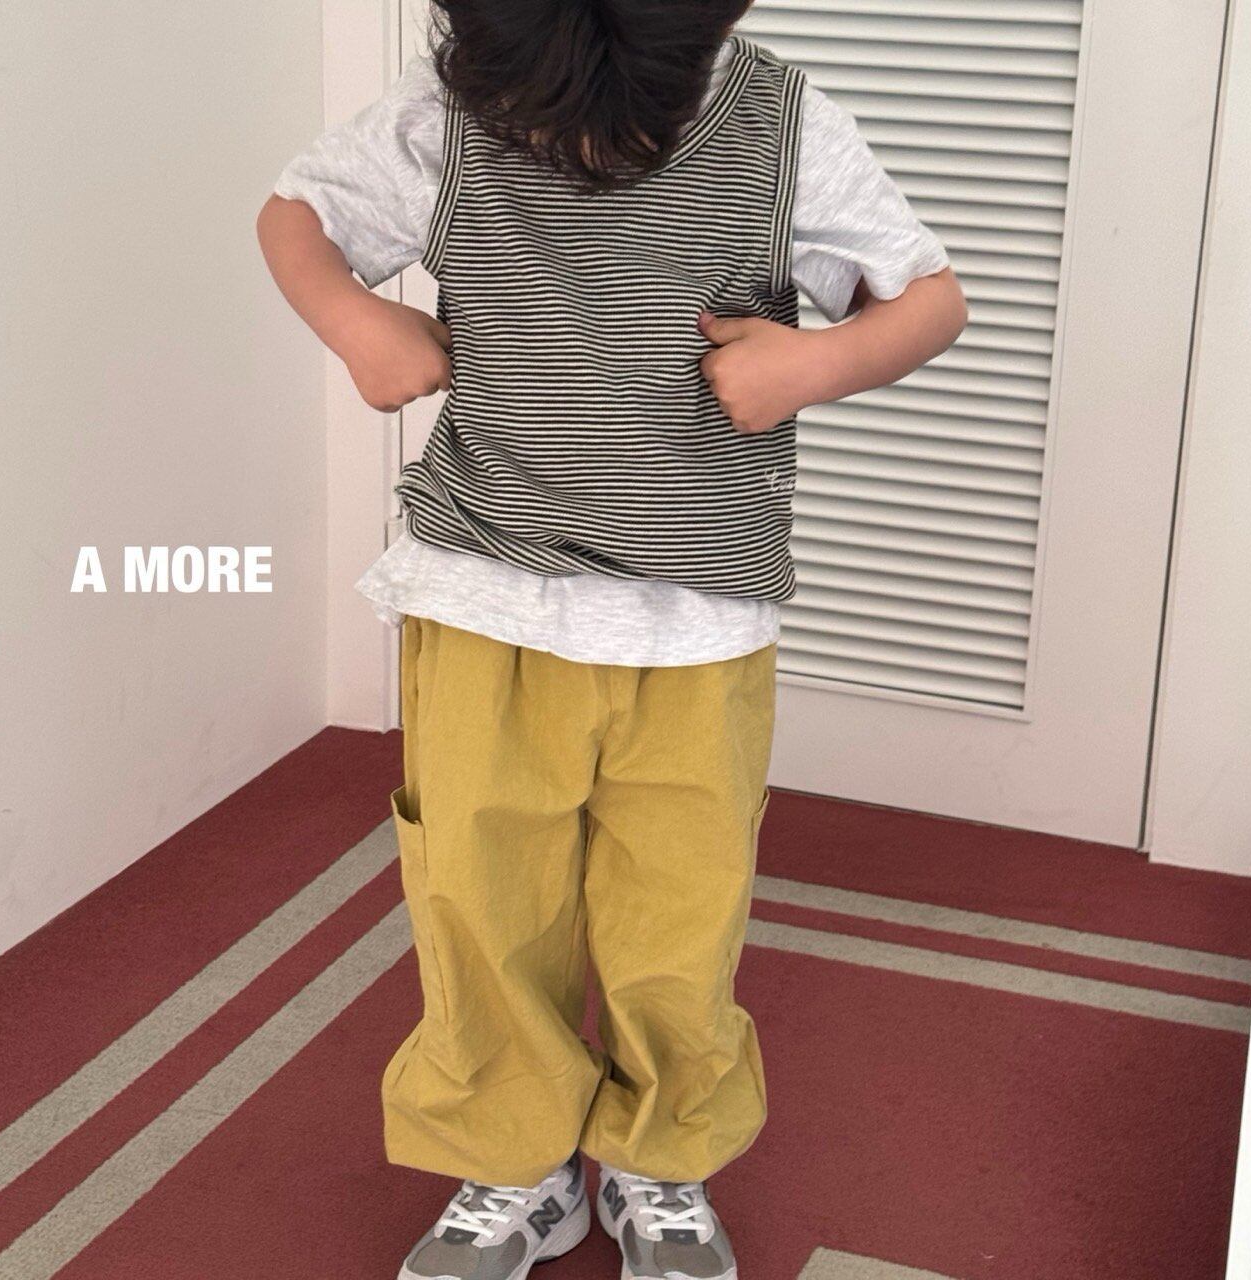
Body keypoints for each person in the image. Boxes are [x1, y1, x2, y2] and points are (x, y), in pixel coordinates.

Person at [257, 1, 966, 1275]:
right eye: (549, 125)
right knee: (480, 901)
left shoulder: (782, 123)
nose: (585, 151)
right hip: (481, 596)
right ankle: (516, 1163)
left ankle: (659, 1154)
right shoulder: (447, 110)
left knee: (676, 918)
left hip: (696, 623)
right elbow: (295, 215)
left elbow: (927, 299)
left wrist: (816, 363)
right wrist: (357, 323)